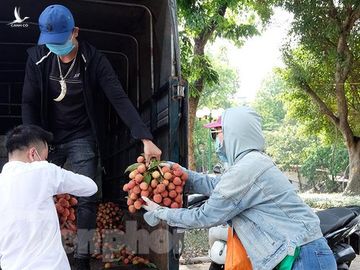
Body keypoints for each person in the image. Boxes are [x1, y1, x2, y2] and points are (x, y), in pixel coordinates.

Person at [21, 4, 161, 269]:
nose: (55, 48)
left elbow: (118, 98)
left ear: (75, 32)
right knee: (36, 192)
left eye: (60, 42)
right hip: (45, 136)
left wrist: (145, 137)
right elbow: (28, 101)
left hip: (81, 135)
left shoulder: (93, 59)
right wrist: (33, 140)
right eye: (50, 43)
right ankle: (37, 253)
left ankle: (82, 259)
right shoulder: (38, 57)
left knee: (87, 195)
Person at [142, 107, 337, 270]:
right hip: (297, 255)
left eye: (217, 134)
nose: (217, 141)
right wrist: (179, 172)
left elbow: (205, 216)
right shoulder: (248, 164)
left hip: (304, 257)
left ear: (234, 134)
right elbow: (215, 186)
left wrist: (162, 213)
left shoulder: (248, 168)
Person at [0, 125, 98, 270]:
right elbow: (91, 187)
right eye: (45, 158)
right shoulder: (44, 170)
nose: (46, 162)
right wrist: (54, 177)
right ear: (33, 154)